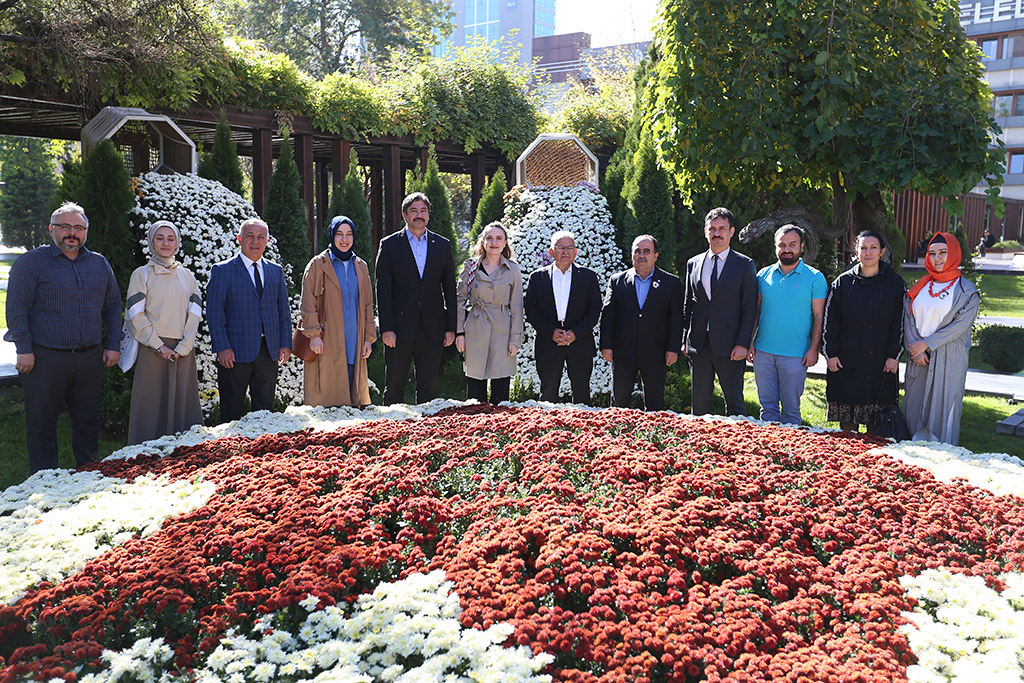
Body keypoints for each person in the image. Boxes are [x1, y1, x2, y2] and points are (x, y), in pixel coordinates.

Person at [5, 202, 121, 473]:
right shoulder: (31, 263)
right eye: (65, 227)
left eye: (79, 228)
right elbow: (17, 309)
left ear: (86, 232)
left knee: (87, 420)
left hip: (89, 357)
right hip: (45, 358)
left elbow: (114, 305)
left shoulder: (99, 264)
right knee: (42, 422)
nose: (72, 233)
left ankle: (88, 472)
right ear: (51, 230)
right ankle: (44, 479)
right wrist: (24, 349)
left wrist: (113, 345)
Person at [124, 220, 204, 444]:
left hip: (182, 351)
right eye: (160, 238)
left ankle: (184, 453)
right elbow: (135, 314)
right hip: (153, 350)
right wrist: (158, 345)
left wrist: (184, 346)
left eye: (171, 238)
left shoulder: (187, 276)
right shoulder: (142, 274)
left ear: (178, 242)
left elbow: (195, 313)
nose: (165, 243)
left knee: (183, 403)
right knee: (150, 404)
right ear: (151, 241)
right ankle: (145, 454)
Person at [207, 218, 292, 422]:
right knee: (231, 410)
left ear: (267, 241)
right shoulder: (223, 270)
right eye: (250, 236)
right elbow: (214, 313)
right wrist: (222, 347)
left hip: (268, 350)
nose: (255, 241)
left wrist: (285, 344)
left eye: (261, 237)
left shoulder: (275, 270)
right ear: (239, 239)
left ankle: (261, 451)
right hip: (235, 352)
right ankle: (229, 451)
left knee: (264, 412)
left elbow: (283, 311)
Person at [375, 192, 457, 404]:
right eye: (414, 211)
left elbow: (449, 288)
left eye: (423, 211)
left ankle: (426, 432)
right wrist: (386, 328)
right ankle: (390, 429)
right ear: (405, 214)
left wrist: (450, 327)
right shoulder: (390, 245)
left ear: (428, 215)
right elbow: (382, 290)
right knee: (394, 386)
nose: (419, 215)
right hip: (399, 327)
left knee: (428, 388)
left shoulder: (442, 245)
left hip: (432, 327)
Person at [822, 230, 907, 433]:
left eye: (873, 248)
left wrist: (893, 356)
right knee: (847, 430)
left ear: (882, 251)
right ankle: (847, 463)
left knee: (877, 427)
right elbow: (830, 322)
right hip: (845, 362)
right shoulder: (842, 283)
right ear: (856, 251)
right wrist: (830, 354)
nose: (868, 252)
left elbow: (900, 323)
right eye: (863, 248)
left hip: (880, 363)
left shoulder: (895, 284)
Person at [903, 233, 980, 444]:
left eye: (943, 253)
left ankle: (943, 459)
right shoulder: (920, 287)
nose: (937, 258)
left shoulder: (966, 291)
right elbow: (907, 317)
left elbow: (959, 326)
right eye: (932, 253)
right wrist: (914, 347)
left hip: (948, 359)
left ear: (954, 254)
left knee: (944, 408)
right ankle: (911, 459)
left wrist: (926, 344)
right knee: (914, 407)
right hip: (918, 359)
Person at [682, 207, 758, 416]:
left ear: (731, 231)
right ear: (706, 232)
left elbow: (749, 307)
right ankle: (700, 444)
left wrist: (743, 343)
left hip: (731, 345)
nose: (717, 233)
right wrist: (685, 339)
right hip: (698, 343)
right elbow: (689, 303)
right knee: (699, 404)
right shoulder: (693, 263)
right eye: (712, 229)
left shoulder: (744, 265)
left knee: (735, 404)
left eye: (722, 229)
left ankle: (738, 445)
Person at [749, 225, 827, 424]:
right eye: (782, 245)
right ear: (775, 248)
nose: (787, 249)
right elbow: (755, 313)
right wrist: (749, 342)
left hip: (796, 355)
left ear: (802, 247)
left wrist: (813, 349)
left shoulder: (815, 278)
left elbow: (819, 317)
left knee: (791, 410)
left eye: (792, 244)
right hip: (763, 353)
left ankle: (791, 453)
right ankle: (768, 452)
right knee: (767, 409)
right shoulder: (762, 276)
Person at [298, 215, 376, 408]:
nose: (344, 239)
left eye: (349, 234)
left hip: (354, 340)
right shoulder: (317, 265)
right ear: (331, 236)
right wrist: (314, 335)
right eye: (339, 234)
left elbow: (367, 304)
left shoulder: (361, 266)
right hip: (326, 339)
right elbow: (308, 303)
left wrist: (368, 338)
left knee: (352, 393)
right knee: (327, 396)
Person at [599, 235, 683, 411]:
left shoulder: (671, 283)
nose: (641, 255)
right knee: (619, 404)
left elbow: (676, 319)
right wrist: (606, 345)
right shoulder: (617, 281)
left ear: (656, 255)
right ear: (632, 254)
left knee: (655, 405)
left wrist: (673, 348)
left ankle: (653, 437)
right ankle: (617, 437)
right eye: (637, 251)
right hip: (623, 353)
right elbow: (608, 316)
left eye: (646, 251)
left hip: (656, 353)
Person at [523, 230, 602, 404]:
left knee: (582, 394)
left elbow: (595, 310)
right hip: (548, 342)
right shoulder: (538, 277)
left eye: (570, 247)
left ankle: (583, 429)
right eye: (561, 247)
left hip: (580, 342)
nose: (566, 251)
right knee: (548, 394)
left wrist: (575, 333)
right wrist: (550, 332)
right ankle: (546, 428)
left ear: (575, 252)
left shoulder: (588, 277)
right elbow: (531, 310)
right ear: (551, 252)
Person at [454, 222, 524, 403]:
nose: (494, 242)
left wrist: (515, 340)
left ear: (505, 242)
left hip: (502, 330)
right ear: (483, 242)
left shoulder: (513, 269)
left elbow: (517, 306)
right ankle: (476, 428)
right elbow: (459, 301)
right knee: (475, 388)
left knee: (501, 389)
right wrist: (459, 333)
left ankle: (500, 428)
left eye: (499, 238)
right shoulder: (471, 267)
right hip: (475, 329)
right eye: (489, 238)